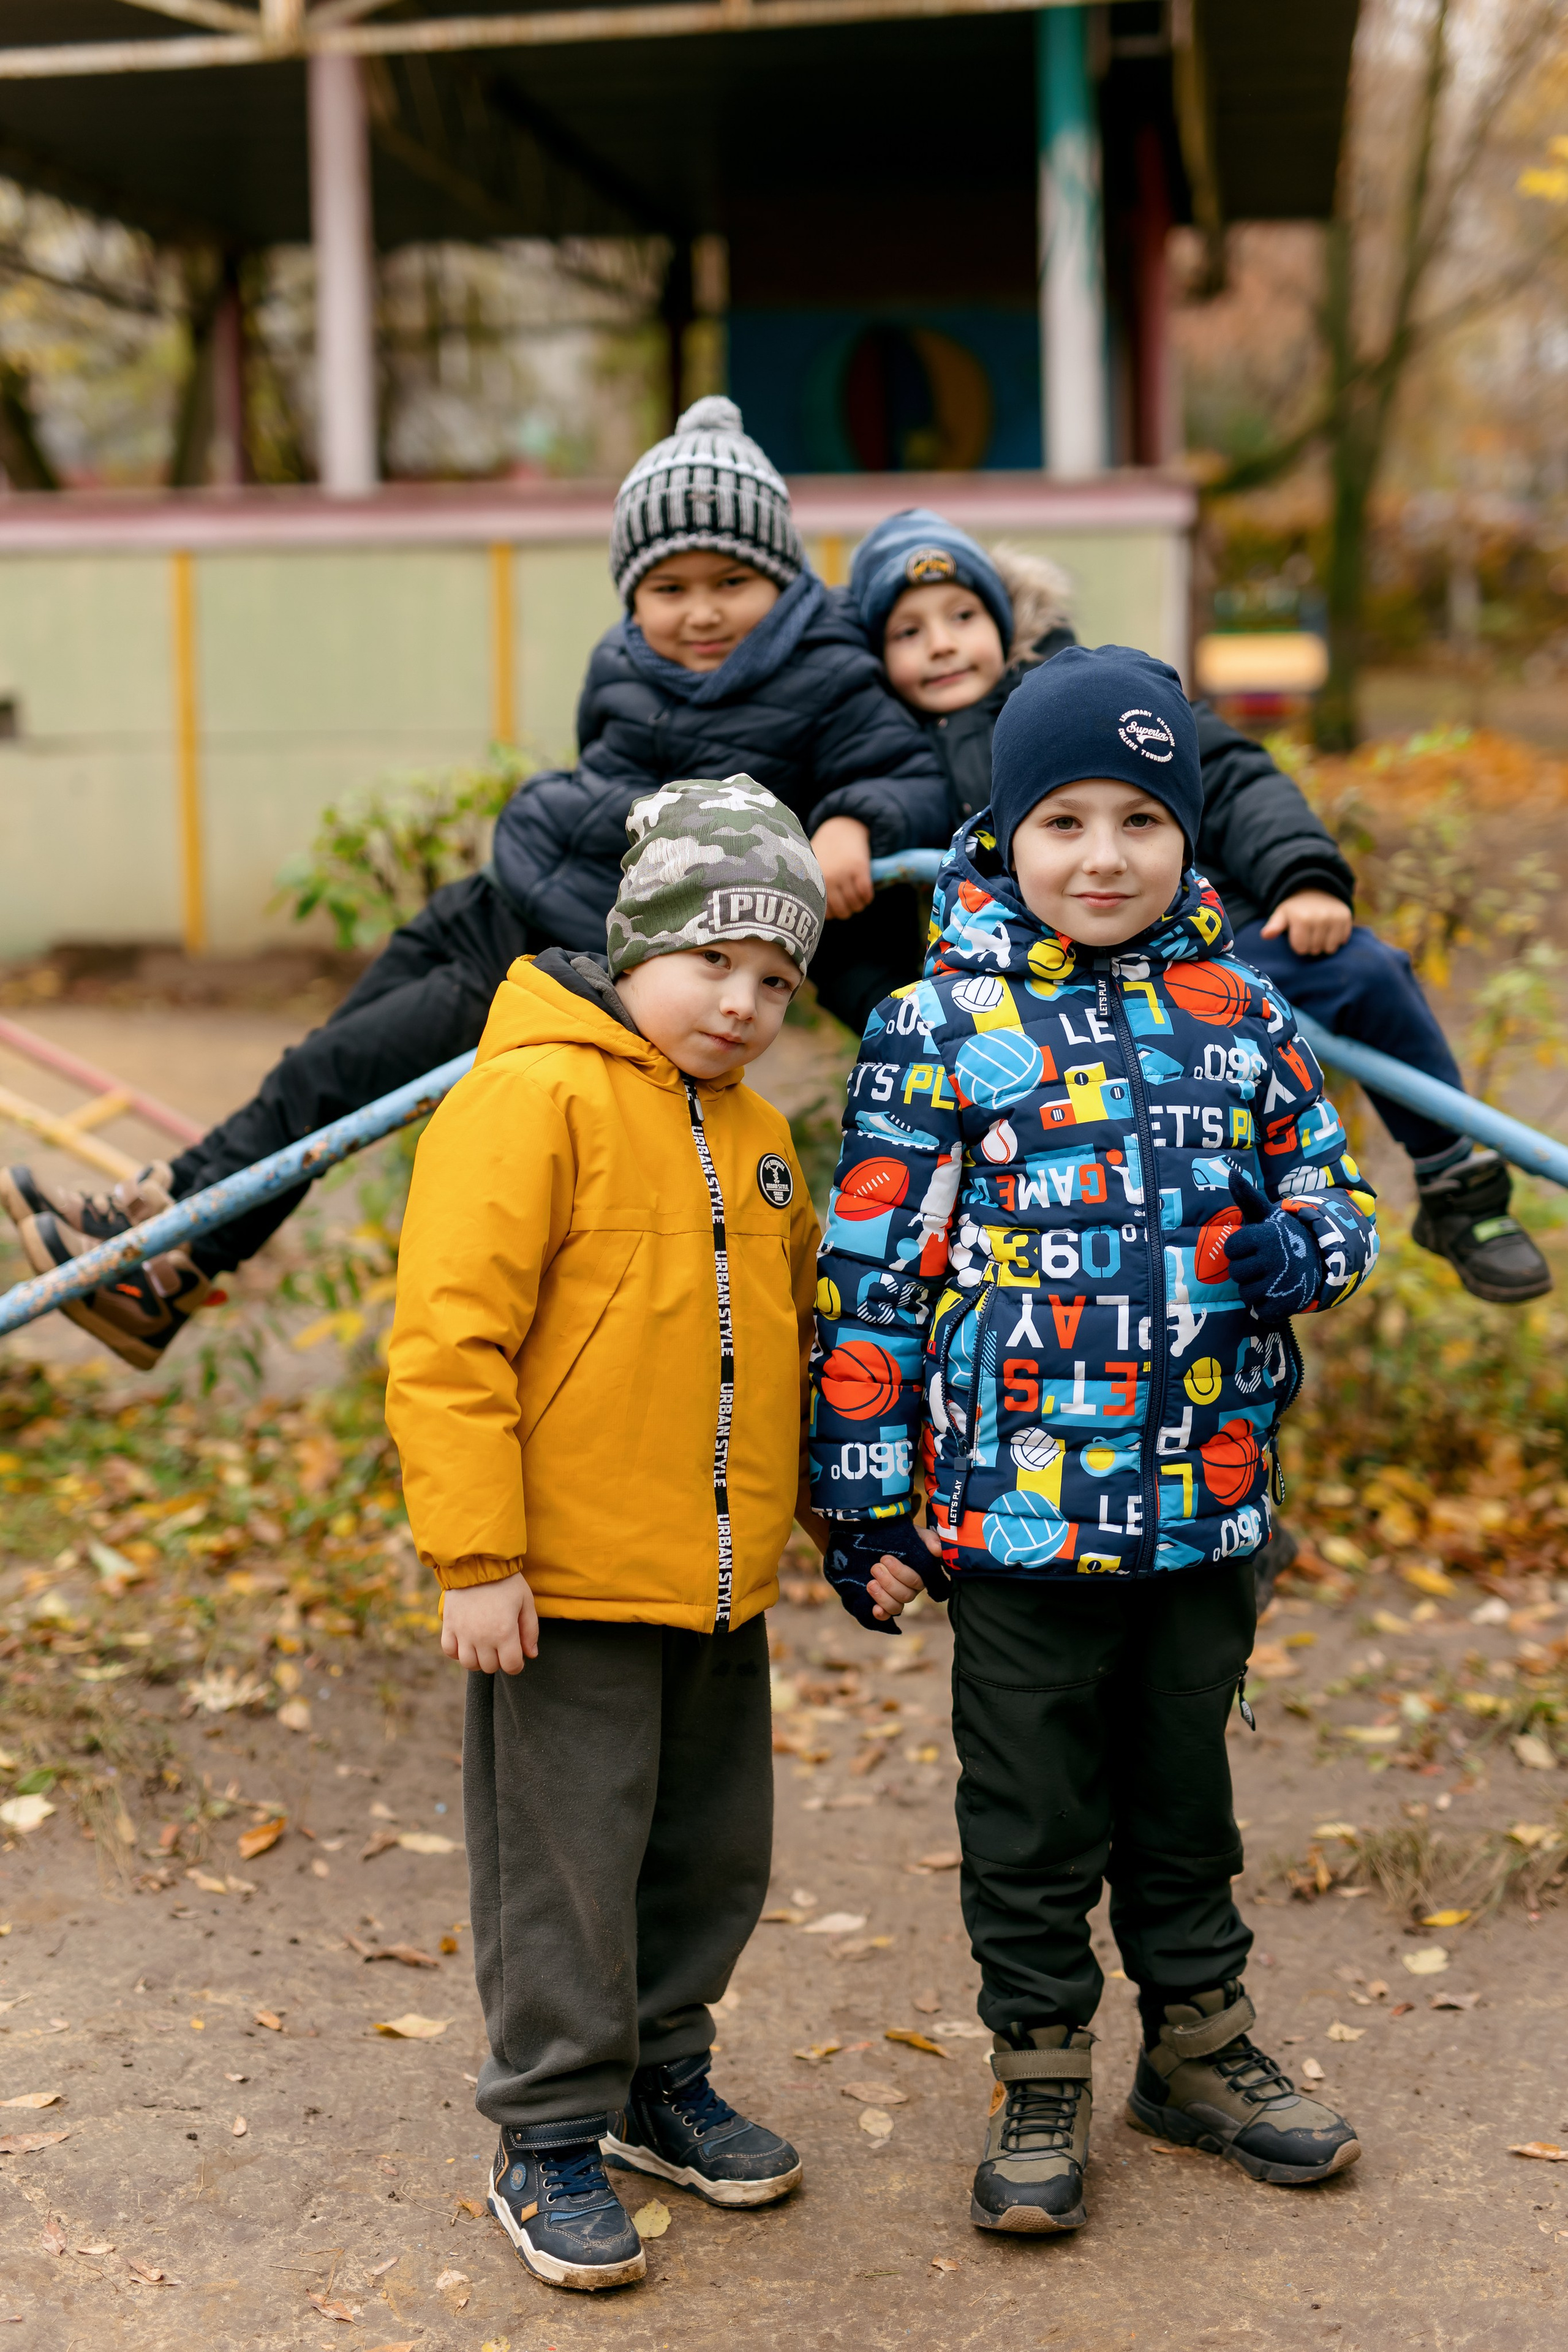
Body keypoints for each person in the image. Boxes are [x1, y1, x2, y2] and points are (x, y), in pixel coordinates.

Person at [1, 399, 946, 1370]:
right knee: (315, 1066)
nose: (700, 612)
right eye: (668, 587)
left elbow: (904, 774)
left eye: (731, 581)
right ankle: (169, 1228)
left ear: (782, 579)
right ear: (632, 594)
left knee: (341, 1077)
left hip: (552, 954)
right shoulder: (623, 665)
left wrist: (848, 825)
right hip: (495, 900)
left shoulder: (826, 670)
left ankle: (169, 1259)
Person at [810, 646, 1377, 2238]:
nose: (1105, 855)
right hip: (1009, 1517)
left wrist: (1307, 1252)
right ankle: (1041, 2064)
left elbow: (1334, 1193)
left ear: (1192, 837)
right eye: (1064, 819)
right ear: (1004, 833)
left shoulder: (1244, 1018)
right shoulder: (936, 1021)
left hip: (1202, 1506)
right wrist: (862, 1506)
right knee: (1035, 1807)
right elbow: (874, 1278)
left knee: (1184, 1795)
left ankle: (1197, 2051)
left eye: (1142, 818)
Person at [385, 778, 824, 2294]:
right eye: (714, 960)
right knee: (566, 1862)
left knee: (705, 1854)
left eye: (776, 980)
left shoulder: (762, 1135)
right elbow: (451, 1341)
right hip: (557, 1582)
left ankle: (657, 2077)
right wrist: (475, 1557)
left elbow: (782, 1340)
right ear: (633, 942)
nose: (744, 1001)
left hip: (715, 1585)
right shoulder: (529, 1098)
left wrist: (824, 1520)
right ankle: (549, 2128)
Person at [846, 505, 1550, 1311]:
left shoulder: (1105, 696)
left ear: (1008, 619)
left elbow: (1240, 781)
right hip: (1051, 988)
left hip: (1224, 934)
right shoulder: (897, 754)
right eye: (908, 632)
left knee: (1362, 970)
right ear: (875, 657)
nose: (940, 643)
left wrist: (1303, 877)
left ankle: (1456, 1182)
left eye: (963, 616)